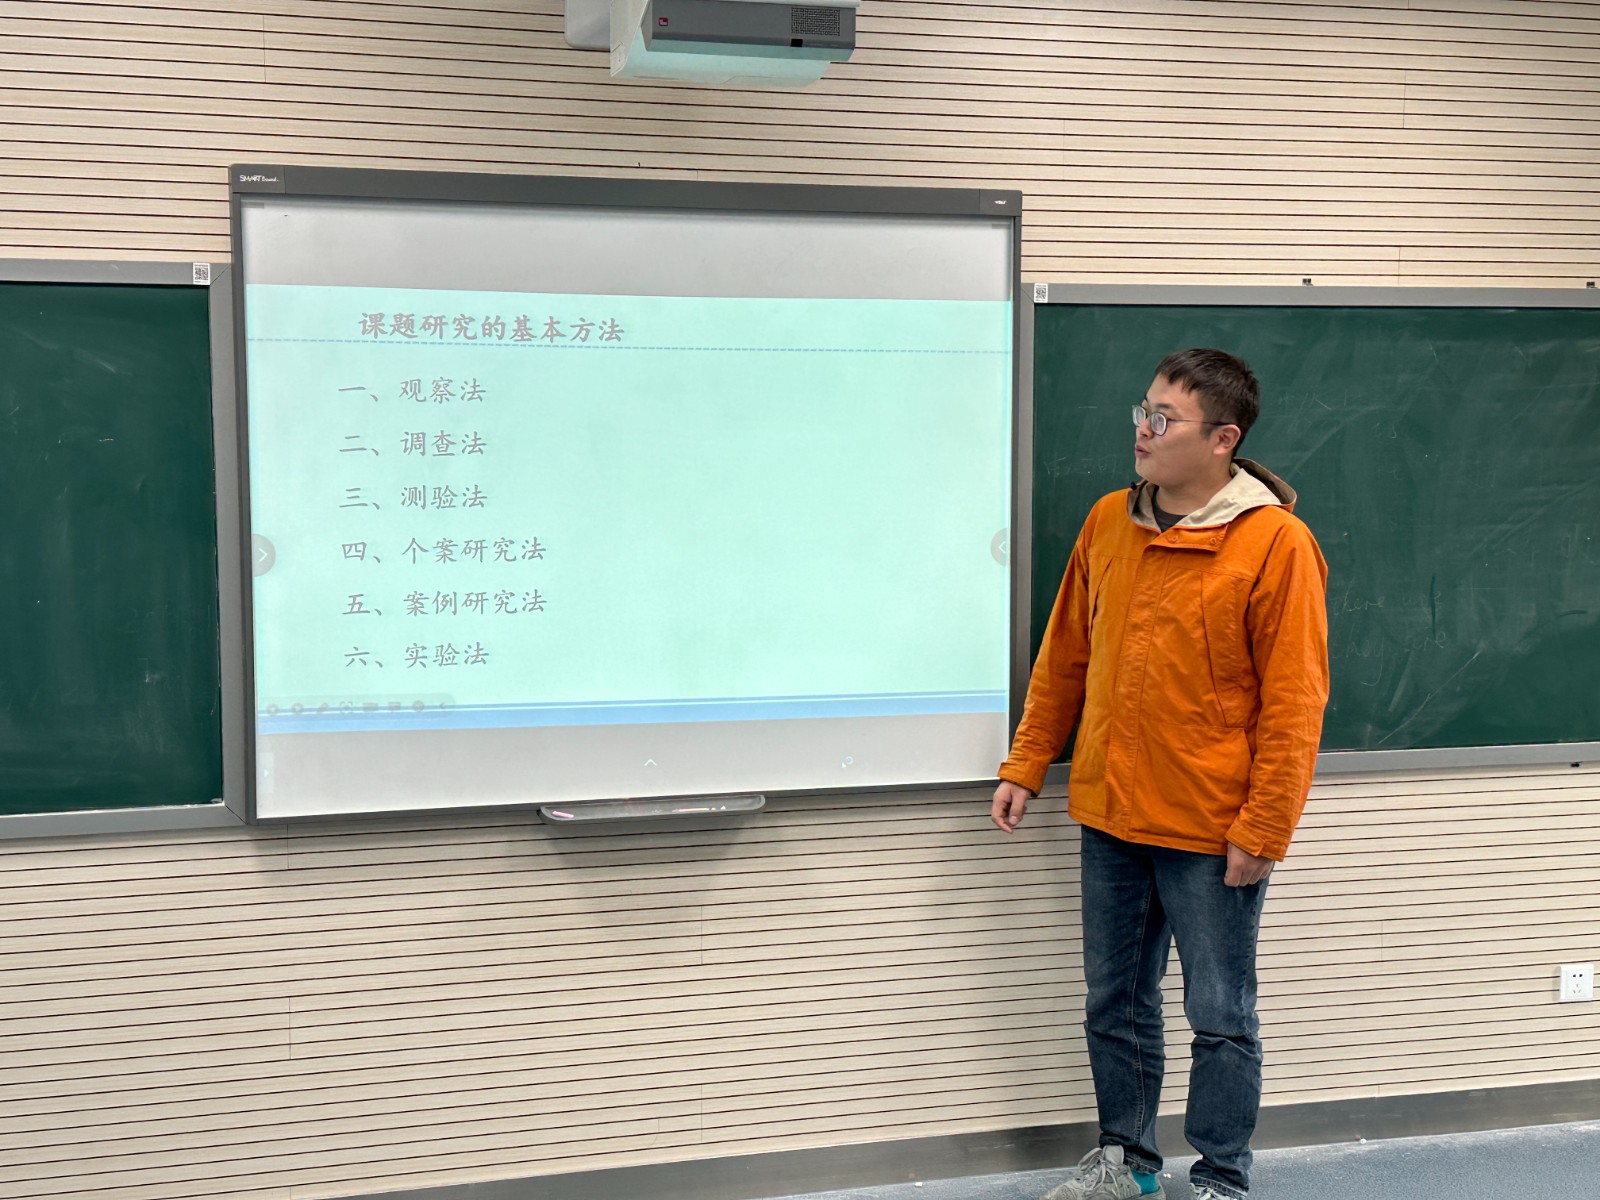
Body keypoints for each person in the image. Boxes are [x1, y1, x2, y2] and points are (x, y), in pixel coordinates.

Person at [992, 348, 1330, 1200]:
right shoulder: (1110, 520)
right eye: (1141, 411)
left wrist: (1264, 828)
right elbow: (1065, 657)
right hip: (1111, 814)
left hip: (1211, 827)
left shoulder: (1276, 544)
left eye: (1163, 418)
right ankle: (1128, 1162)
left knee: (1221, 1014)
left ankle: (1221, 1177)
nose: (1142, 431)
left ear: (1223, 438)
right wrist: (1027, 764)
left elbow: (1295, 703)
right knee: (1115, 1002)